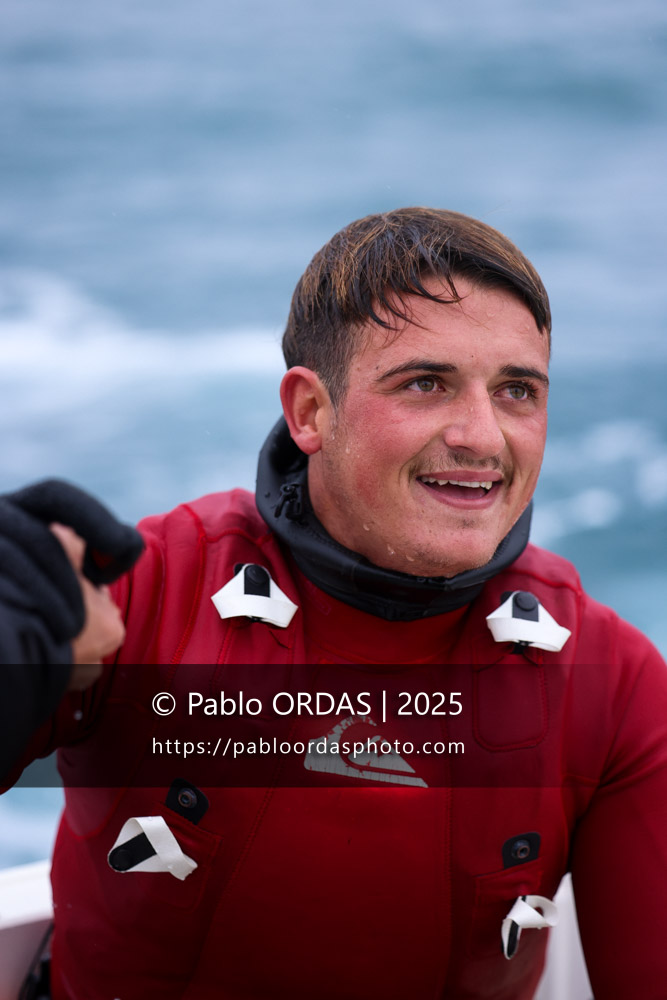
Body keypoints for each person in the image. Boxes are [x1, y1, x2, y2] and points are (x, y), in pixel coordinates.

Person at [4, 208, 667, 1000]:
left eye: (517, 391)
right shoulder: (141, 596)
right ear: (309, 412)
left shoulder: (612, 681)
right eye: (426, 383)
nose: (482, 436)